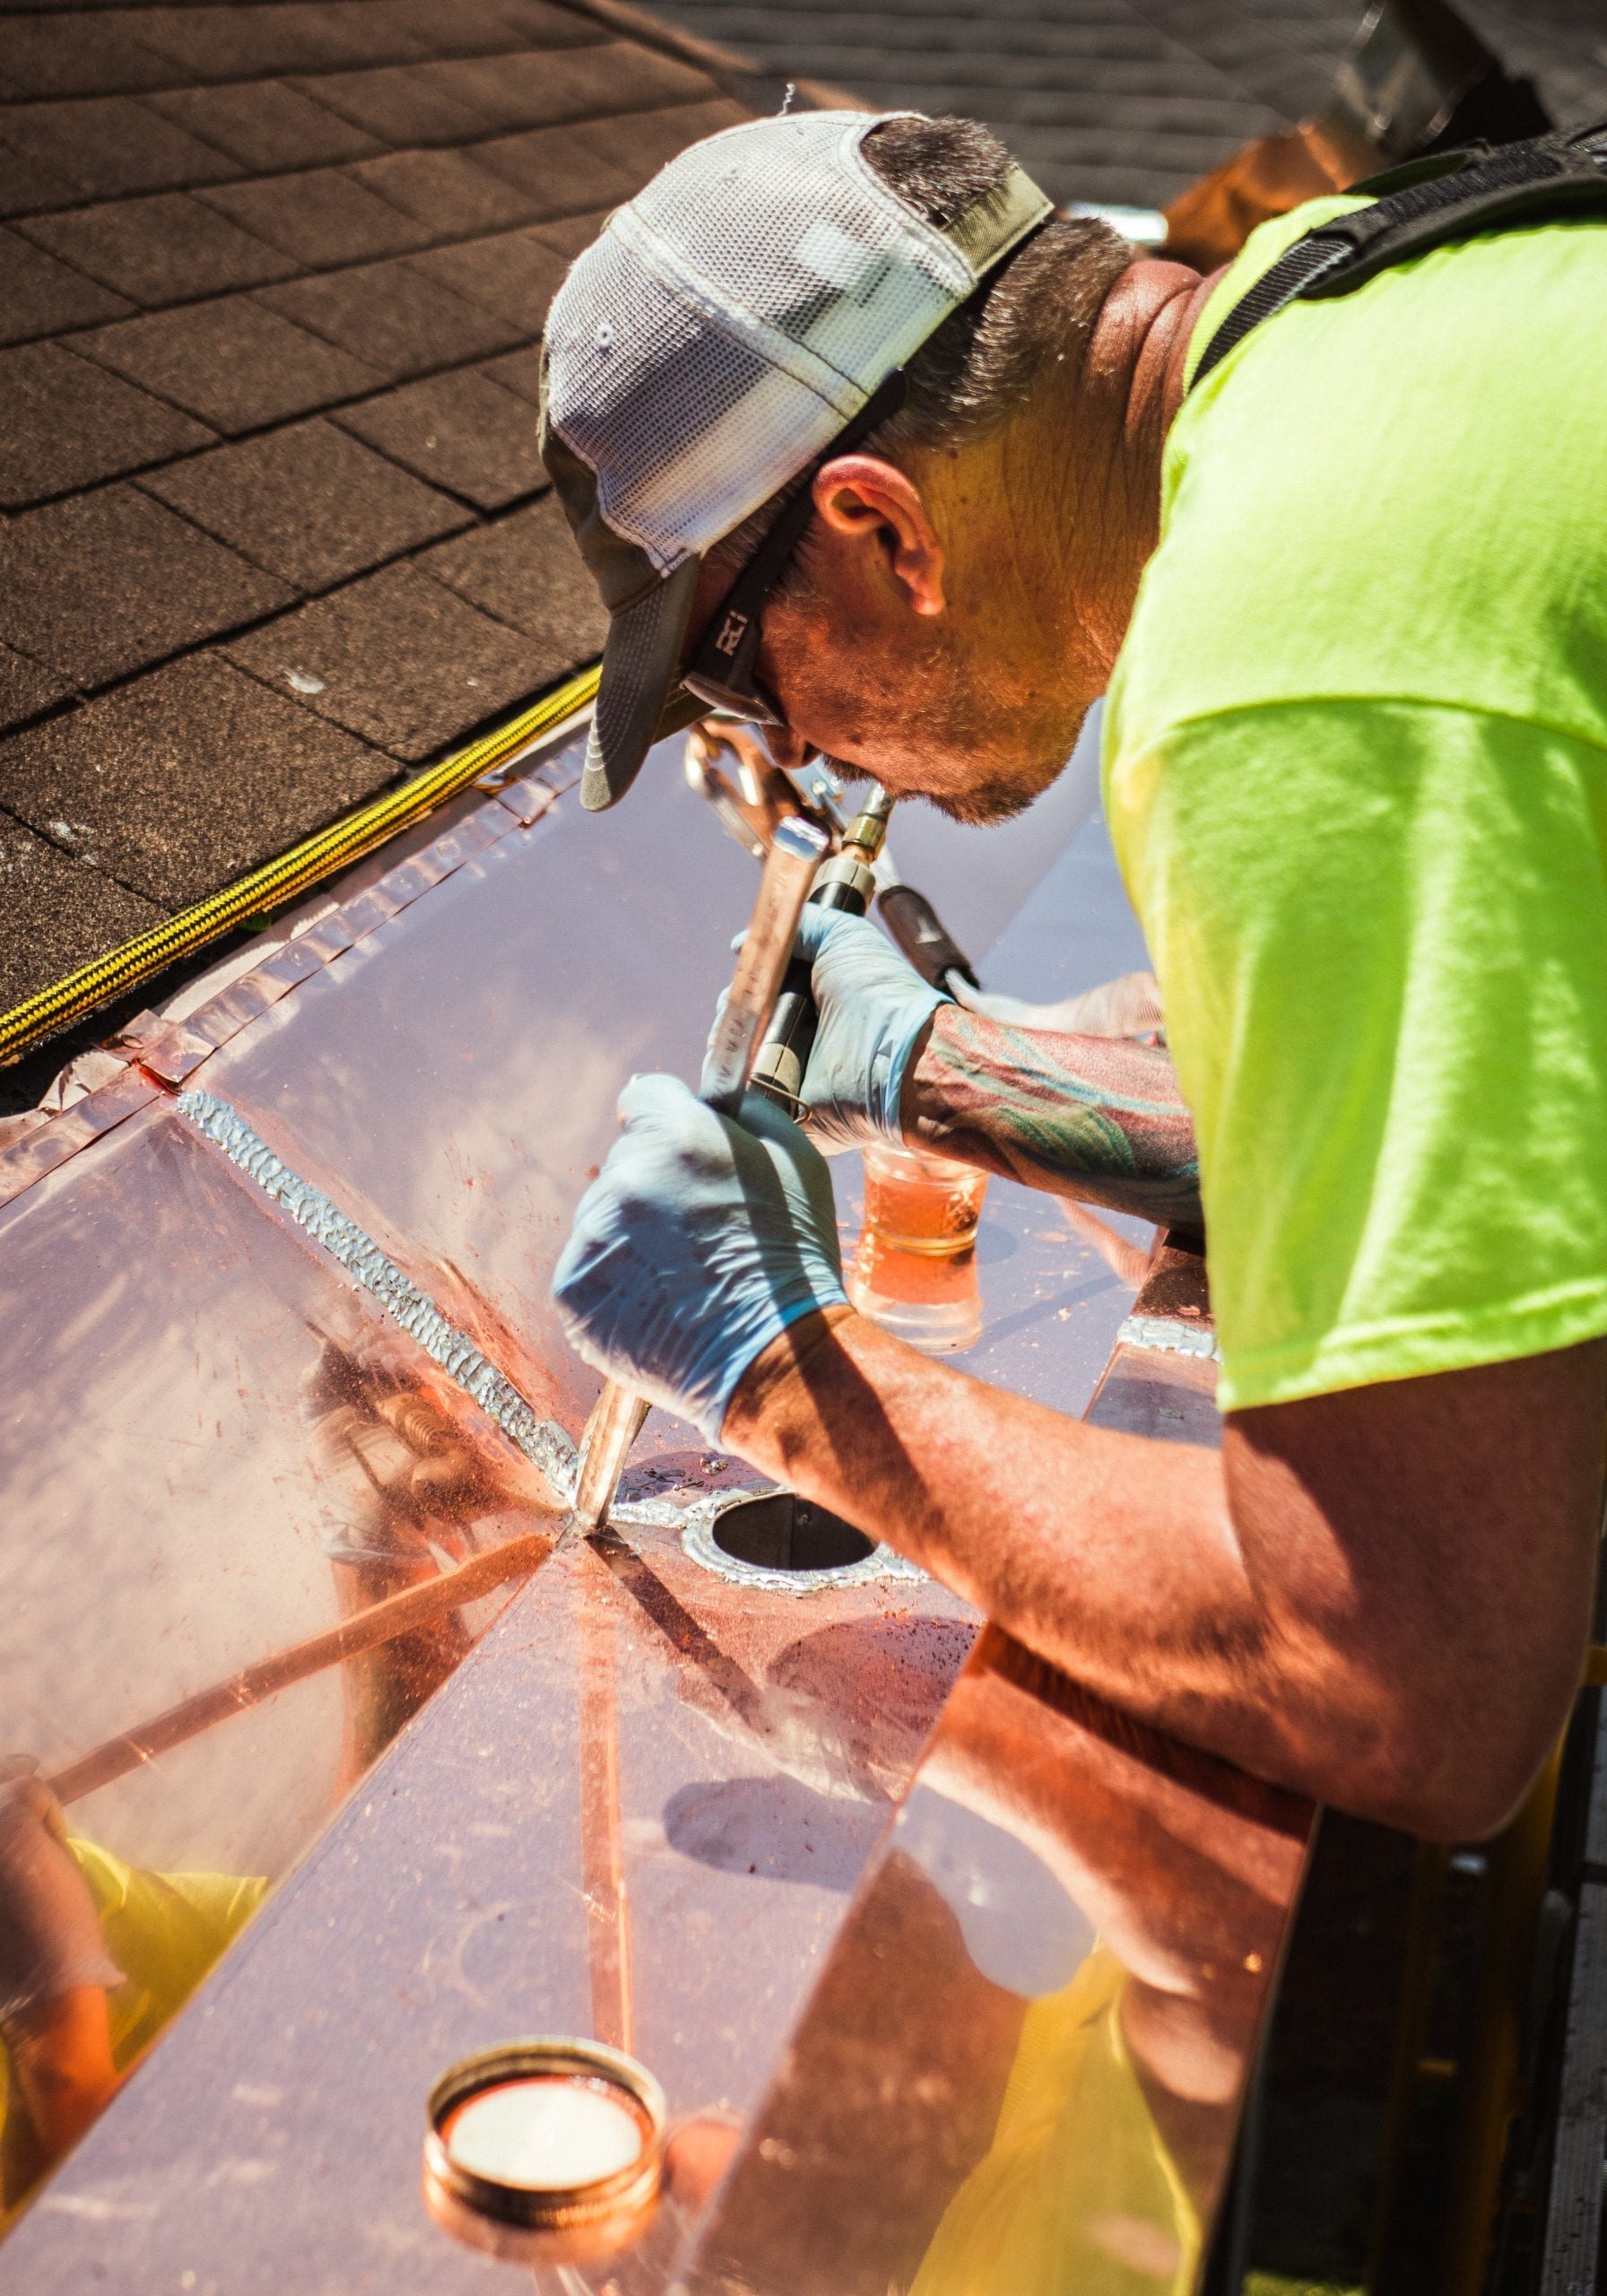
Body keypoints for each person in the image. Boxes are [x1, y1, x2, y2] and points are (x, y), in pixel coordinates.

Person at [542, 109, 1607, 1840]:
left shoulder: (1294, 658)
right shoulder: (1349, 323)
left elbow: (1407, 1671)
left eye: (738, 678)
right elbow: (1465, 1107)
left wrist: (778, 1365)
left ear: (883, 527)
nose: (799, 755)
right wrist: (931, 1066)